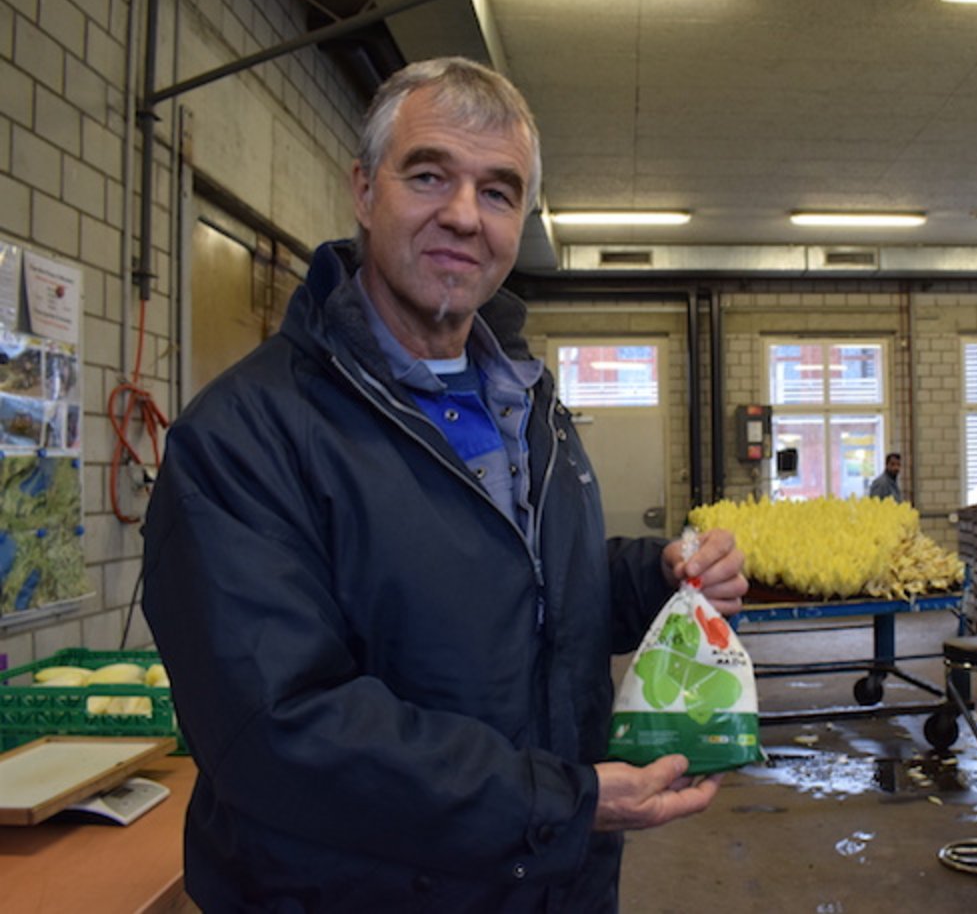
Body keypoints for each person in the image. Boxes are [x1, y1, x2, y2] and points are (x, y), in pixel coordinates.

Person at [140, 57, 747, 912]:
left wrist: (655, 576)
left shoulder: (528, 402)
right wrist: (560, 803)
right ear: (363, 190)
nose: (464, 215)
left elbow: (526, 592)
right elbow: (283, 732)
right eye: (429, 175)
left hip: (552, 884)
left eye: (497, 192)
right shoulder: (242, 437)